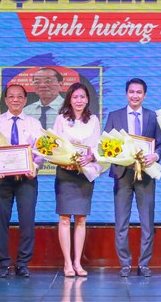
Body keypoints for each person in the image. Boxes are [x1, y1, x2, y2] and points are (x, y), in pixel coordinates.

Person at [104, 78, 161, 277]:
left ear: (144, 95)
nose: (135, 95)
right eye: (131, 92)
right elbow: (105, 145)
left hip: (145, 174)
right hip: (122, 174)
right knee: (121, 221)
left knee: (147, 221)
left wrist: (155, 156)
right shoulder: (114, 116)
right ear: (126, 94)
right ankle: (125, 264)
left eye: (139, 92)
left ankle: (144, 264)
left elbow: (160, 145)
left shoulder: (153, 117)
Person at [0, 84, 43, 278]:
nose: (15, 100)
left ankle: (22, 263)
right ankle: (3, 264)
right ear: (5, 100)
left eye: (19, 96)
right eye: (11, 96)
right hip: (2, 180)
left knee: (27, 221)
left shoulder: (34, 123)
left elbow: (41, 151)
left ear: (25, 100)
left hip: (27, 180)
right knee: (1, 222)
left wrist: (34, 167)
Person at [53, 83, 102, 277]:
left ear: (87, 99)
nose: (79, 100)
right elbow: (55, 146)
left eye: (82, 97)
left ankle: (77, 262)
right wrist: (63, 161)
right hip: (65, 173)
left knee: (81, 219)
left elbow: (98, 146)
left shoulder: (94, 120)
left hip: (85, 173)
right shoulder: (61, 119)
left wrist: (91, 157)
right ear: (69, 99)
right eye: (75, 97)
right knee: (65, 219)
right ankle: (67, 263)